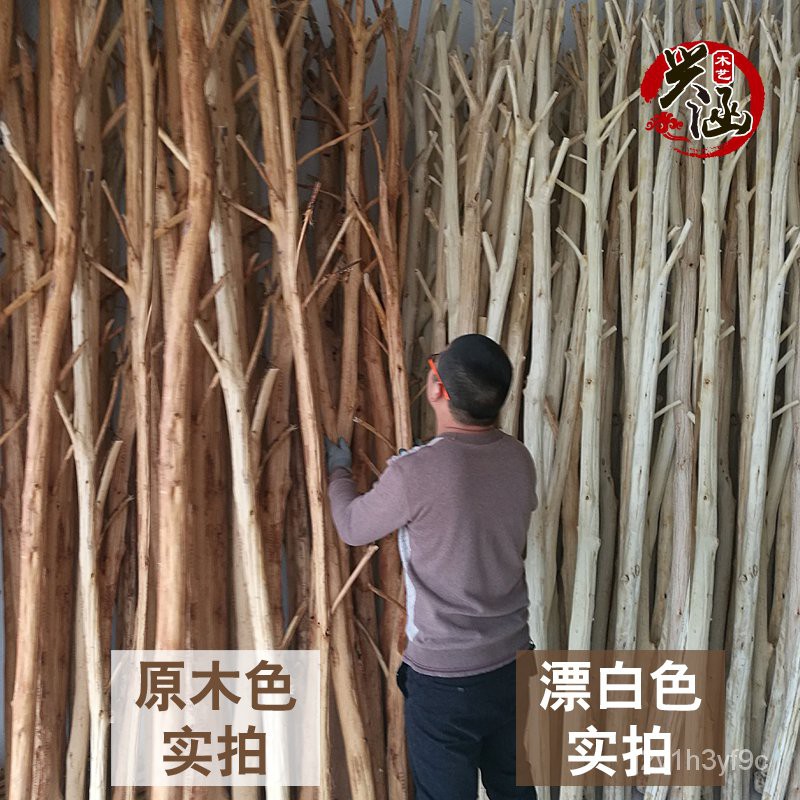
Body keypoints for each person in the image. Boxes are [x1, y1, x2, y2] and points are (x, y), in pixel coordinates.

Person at [324, 333, 538, 800]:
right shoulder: (519, 458)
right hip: (514, 662)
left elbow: (353, 526)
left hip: (447, 680)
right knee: (515, 790)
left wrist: (338, 472)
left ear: (438, 388)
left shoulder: (414, 471)